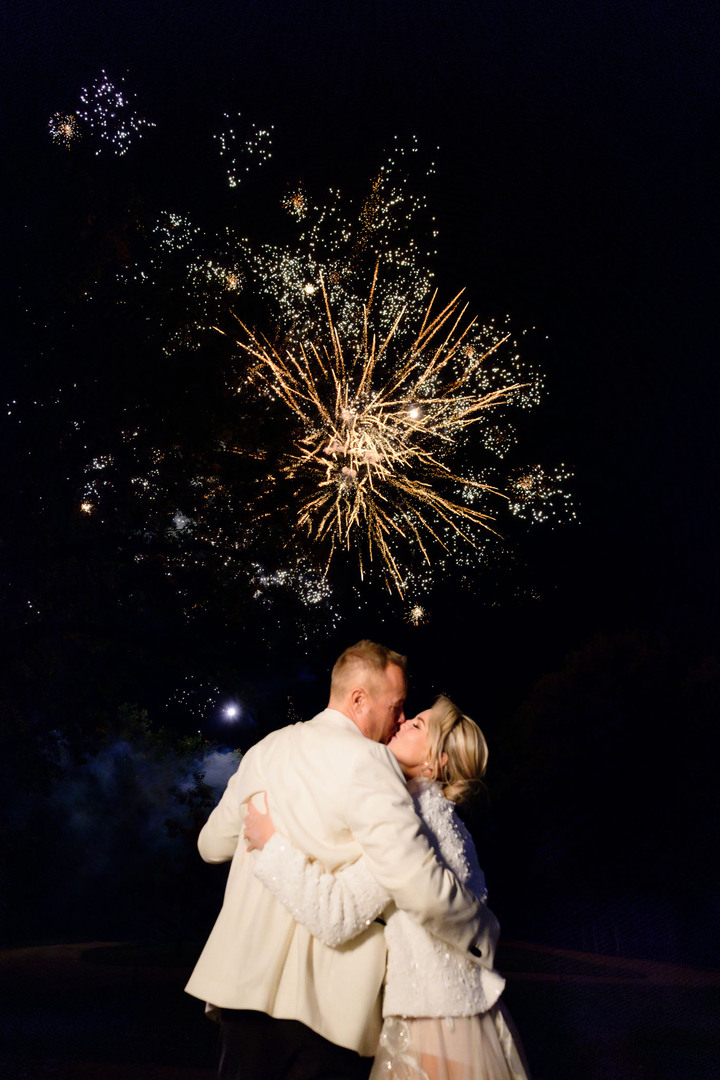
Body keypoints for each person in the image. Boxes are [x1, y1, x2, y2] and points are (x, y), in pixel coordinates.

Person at [185, 642, 498, 1080]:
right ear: (359, 699)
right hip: (327, 1003)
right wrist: (483, 931)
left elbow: (210, 846)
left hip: (241, 986)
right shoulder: (373, 762)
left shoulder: (265, 750)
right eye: (397, 706)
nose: (401, 718)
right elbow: (414, 879)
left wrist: (269, 829)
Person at [244, 695, 530, 1080]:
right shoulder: (445, 818)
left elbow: (336, 915)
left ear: (436, 760)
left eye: (416, 725)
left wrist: (271, 846)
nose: (400, 723)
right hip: (461, 1014)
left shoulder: (410, 817)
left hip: (436, 1028)